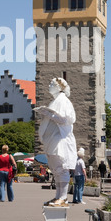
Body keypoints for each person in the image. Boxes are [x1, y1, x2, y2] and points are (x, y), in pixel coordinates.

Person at [35, 77, 77, 207]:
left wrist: (48, 113)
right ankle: (58, 196)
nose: (49, 86)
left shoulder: (63, 101)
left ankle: (63, 197)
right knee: (56, 170)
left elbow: (65, 119)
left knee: (62, 168)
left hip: (60, 140)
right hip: (53, 140)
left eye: (51, 84)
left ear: (59, 87)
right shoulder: (56, 101)